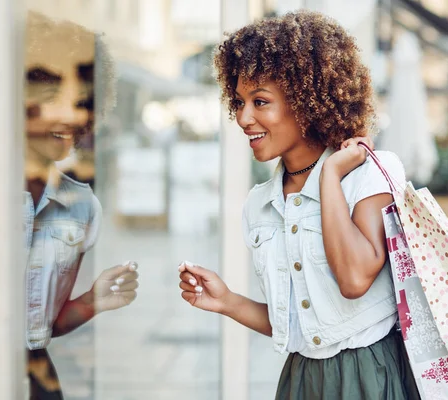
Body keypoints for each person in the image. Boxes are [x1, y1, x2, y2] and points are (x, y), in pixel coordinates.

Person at [178, 11, 419, 399]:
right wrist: (227, 301)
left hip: (370, 375)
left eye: (260, 102)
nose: (243, 118)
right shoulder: (260, 205)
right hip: (301, 380)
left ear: (307, 102)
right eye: (239, 102)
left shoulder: (369, 174)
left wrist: (328, 178)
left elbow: (355, 279)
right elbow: (298, 324)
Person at [25, 12, 137, 399]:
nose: (71, 115)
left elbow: (44, 325)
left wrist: (91, 302)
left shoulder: (81, 206)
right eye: (52, 96)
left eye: (81, 101)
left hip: (38, 380)